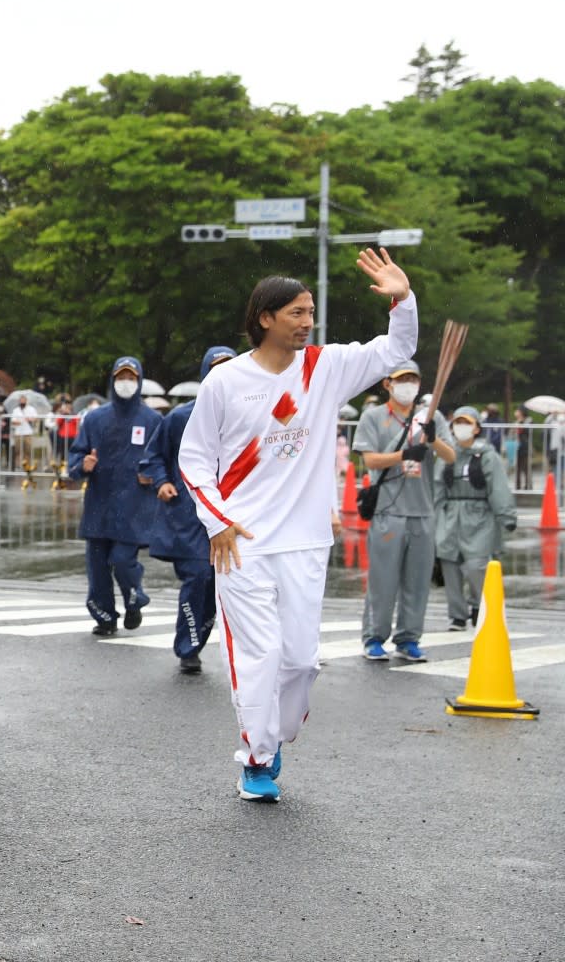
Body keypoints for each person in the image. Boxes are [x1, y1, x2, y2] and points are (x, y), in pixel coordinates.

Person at [177, 248, 417, 803]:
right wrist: (218, 522)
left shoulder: (325, 369)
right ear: (266, 318)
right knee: (257, 654)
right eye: (297, 313)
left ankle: (274, 736)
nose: (308, 322)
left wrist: (401, 300)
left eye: (311, 313)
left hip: (306, 541)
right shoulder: (225, 381)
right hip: (242, 543)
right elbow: (195, 459)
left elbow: (396, 349)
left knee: (302, 659)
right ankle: (256, 758)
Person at [139, 346, 236, 673]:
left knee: (219, 584)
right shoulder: (181, 417)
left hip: (233, 513)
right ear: (205, 372)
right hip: (188, 513)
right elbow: (153, 456)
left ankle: (213, 643)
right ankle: (188, 648)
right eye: (216, 367)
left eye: (229, 366)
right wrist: (162, 482)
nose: (222, 373)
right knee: (199, 576)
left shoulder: (249, 414)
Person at [353, 360, 455, 662]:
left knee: (417, 582)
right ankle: (374, 637)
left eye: (413, 379)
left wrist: (433, 438)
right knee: (383, 580)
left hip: (422, 511)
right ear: (387, 384)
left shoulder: (430, 416)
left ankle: (409, 638)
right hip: (388, 512)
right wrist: (403, 454)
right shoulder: (373, 417)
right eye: (401, 379)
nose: (407, 385)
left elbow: (450, 457)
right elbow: (370, 461)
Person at [66, 357, 162, 636]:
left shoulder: (153, 420)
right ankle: (104, 617)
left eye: (131, 377)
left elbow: (164, 459)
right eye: (121, 377)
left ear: (139, 380)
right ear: (112, 380)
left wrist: (154, 476)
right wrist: (81, 466)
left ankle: (135, 600)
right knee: (97, 567)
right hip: (99, 504)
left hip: (134, 505)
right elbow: (76, 455)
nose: (126, 383)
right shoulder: (95, 419)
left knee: (122, 560)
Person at [435, 406, 517, 630]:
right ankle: (457, 615)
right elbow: (437, 487)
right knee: (449, 564)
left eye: (467, 423)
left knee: (476, 565)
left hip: (479, 516)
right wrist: (433, 517)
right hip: (450, 514)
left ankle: (479, 606)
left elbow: (498, 487)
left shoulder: (487, 456)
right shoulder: (446, 455)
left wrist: (506, 515)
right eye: (458, 423)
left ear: (477, 427)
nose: (462, 427)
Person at [8, 394, 37, 472]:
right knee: (17, 451)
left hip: (28, 432)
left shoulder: (31, 409)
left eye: (23, 400)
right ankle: (17, 466)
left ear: (26, 400)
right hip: (18, 433)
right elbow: (13, 421)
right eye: (21, 400)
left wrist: (29, 419)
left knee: (28, 451)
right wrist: (19, 422)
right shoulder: (16, 410)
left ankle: (27, 466)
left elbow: (35, 418)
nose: (22, 401)